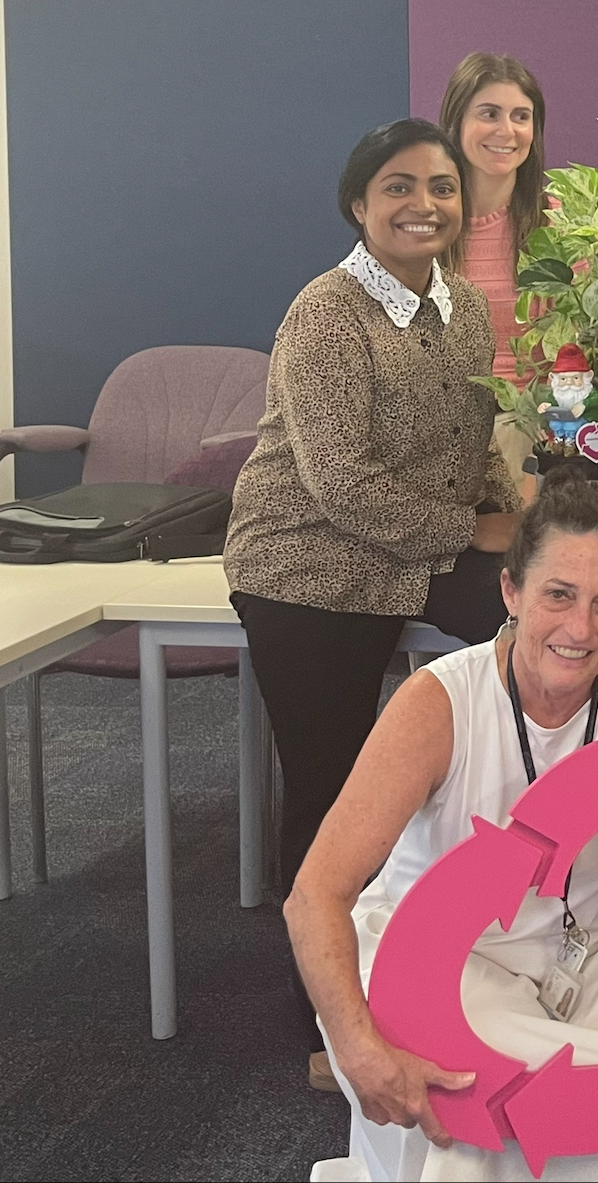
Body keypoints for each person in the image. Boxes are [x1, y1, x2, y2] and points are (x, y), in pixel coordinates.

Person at [285, 469, 598, 1182]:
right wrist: (354, 1045)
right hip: (444, 958)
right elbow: (314, 894)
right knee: (475, 1123)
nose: (581, 628)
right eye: (558, 595)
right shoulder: (440, 704)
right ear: (511, 592)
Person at [227, 119, 524, 898]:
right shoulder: (326, 312)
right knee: (335, 796)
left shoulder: (461, 303)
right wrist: (475, 528)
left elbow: (472, 438)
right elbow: (340, 481)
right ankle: (319, 991)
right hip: (311, 563)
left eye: (442, 187)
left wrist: (520, 516)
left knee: (539, 623)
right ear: (359, 204)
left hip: (416, 550)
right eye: (399, 186)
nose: (423, 203)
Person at [439, 51, 548, 380]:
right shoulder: (424, 227)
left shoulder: (562, 227)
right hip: (445, 422)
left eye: (521, 116)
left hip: (540, 421)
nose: (506, 131)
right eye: (489, 114)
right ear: (456, 122)